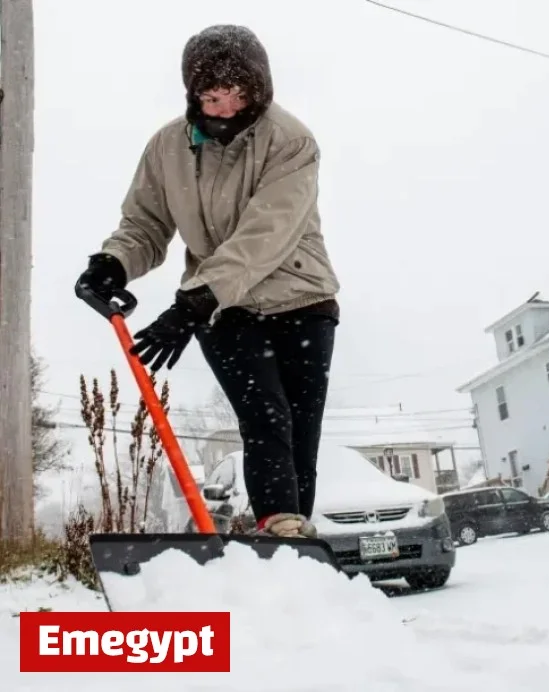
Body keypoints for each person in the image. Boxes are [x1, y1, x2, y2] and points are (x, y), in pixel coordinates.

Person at [74, 24, 340, 540]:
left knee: (299, 430)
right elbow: (146, 224)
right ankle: (279, 523)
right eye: (214, 97)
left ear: (258, 91)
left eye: (240, 96)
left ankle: (288, 539)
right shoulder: (168, 146)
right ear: (194, 93)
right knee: (264, 416)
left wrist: (195, 300)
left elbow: (268, 232)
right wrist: (113, 263)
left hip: (300, 298)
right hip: (222, 310)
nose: (226, 109)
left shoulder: (291, 141)